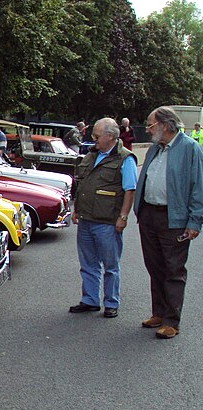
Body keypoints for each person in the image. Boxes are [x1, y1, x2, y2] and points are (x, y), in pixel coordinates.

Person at [133, 106, 203, 339]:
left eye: (151, 124)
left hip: (174, 218)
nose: (148, 129)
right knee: (155, 266)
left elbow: (198, 187)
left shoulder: (190, 148)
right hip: (149, 215)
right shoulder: (155, 148)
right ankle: (159, 313)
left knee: (173, 269)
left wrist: (194, 221)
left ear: (165, 124)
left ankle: (172, 321)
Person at [69, 117, 138, 318]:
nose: (94, 139)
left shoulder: (125, 159)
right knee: (88, 263)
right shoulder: (91, 155)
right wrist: (76, 209)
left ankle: (111, 303)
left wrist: (123, 217)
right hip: (86, 219)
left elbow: (130, 190)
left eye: (97, 136)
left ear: (110, 136)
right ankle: (90, 300)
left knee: (110, 265)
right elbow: (82, 185)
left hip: (107, 221)